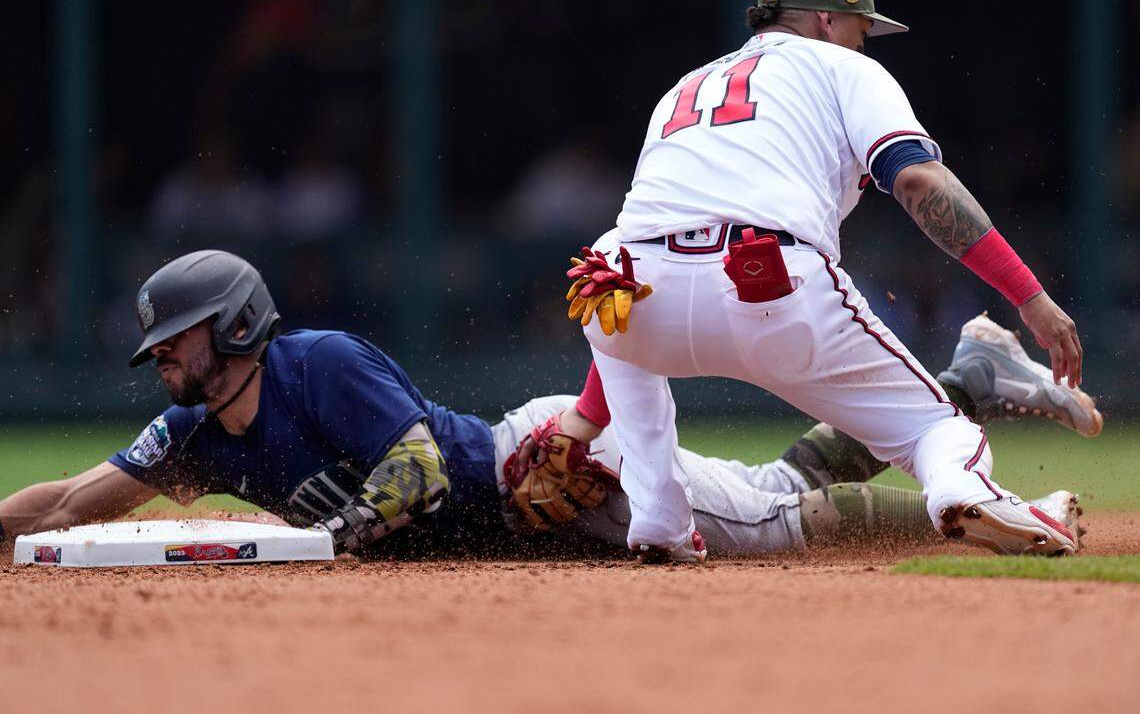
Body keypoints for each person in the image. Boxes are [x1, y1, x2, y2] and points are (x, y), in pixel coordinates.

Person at [0, 251, 1096, 560]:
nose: (163, 364)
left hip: (542, 469)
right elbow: (70, 501)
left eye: (175, 343)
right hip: (522, 524)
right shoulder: (196, 437)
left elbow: (422, 467)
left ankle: (963, 403)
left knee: (774, 516)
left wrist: (326, 540)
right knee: (770, 498)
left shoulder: (312, 362)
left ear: (232, 327)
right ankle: (958, 385)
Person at [557, 0, 1086, 562]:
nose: (866, 43)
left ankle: (658, 522)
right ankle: (959, 491)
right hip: (765, 280)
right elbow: (918, 181)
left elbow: (654, 248)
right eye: (863, 28)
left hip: (627, 283)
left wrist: (585, 420)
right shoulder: (843, 69)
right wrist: (1030, 296)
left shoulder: (684, 87)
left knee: (613, 287)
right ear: (828, 19)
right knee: (938, 430)